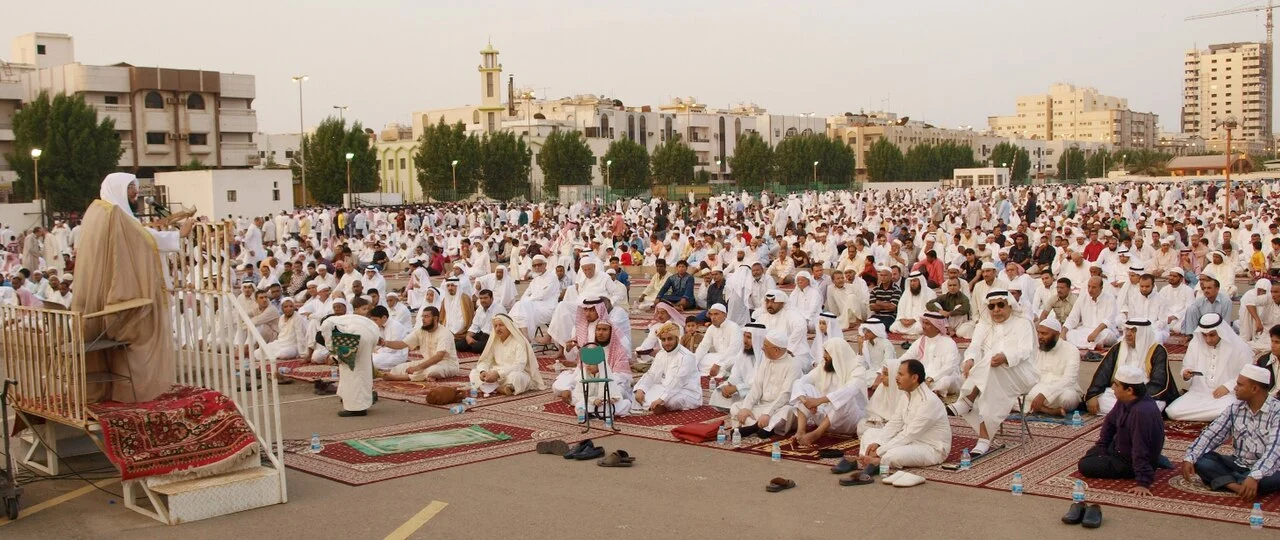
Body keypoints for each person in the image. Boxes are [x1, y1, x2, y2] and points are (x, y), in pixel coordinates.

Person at [72, 173, 194, 402]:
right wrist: (178, 235)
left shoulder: (99, 211)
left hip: (107, 289)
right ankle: (137, 391)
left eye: (135, 187)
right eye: (130, 187)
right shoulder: (114, 215)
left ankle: (124, 390)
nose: (135, 192)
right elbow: (144, 240)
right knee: (138, 338)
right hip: (123, 292)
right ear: (118, 188)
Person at [950, 289, 1038, 456]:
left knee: (990, 365)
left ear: (1010, 305)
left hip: (1021, 373)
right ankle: (984, 438)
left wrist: (1006, 357)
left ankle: (968, 399)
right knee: (989, 373)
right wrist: (969, 359)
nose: (996, 310)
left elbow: (1025, 350)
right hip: (990, 372)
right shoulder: (984, 325)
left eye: (1000, 305)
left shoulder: (1023, 323)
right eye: (991, 306)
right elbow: (974, 347)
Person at [1181, 364, 1280, 501]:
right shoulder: (1235, 408)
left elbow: (1274, 451)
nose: (1235, 388)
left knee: (1269, 479)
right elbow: (1212, 434)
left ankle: (1229, 481)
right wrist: (1190, 457)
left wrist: (1254, 476)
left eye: (1240, 385)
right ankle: (1238, 486)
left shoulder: (1277, 412)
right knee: (1201, 460)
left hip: (1271, 469)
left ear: (1254, 389)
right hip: (1239, 463)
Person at [850, 359, 952, 482]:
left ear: (914, 378)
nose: (896, 378)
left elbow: (909, 434)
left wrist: (879, 451)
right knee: (870, 433)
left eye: (901, 374)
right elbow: (894, 424)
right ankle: (868, 459)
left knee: (892, 454)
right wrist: (878, 443)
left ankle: (876, 461)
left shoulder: (928, 401)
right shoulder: (906, 395)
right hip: (909, 442)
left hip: (930, 448)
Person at [1077, 365, 1167, 496]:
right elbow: (1110, 423)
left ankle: (1147, 467)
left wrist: (1143, 482)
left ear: (1129, 390)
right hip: (1121, 447)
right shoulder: (1126, 400)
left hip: (1129, 459)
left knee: (1085, 465)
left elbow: (1140, 447)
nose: (1113, 387)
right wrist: (1102, 447)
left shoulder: (1141, 412)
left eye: (1116, 385)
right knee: (1092, 454)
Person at [1166, 313, 1254, 422]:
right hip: (1198, 393)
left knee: (1229, 409)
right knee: (1172, 411)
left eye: (1212, 335)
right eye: (1204, 335)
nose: (1208, 340)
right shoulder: (1195, 344)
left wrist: (1227, 387)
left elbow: (1247, 374)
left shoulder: (1239, 346)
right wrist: (1186, 373)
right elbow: (1187, 366)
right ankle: (1219, 417)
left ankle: (1219, 415)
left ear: (1221, 332)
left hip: (1226, 396)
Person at [1086, 318, 1179, 415]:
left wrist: (1134, 395)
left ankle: (1126, 411)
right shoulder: (1118, 348)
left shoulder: (1157, 351)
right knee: (1100, 400)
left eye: (1133, 331)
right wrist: (1093, 394)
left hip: (1146, 395)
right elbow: (1103, 373)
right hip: (1120, 393)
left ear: (1143, 333)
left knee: (1152, 406)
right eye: (1127, 330)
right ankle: (1132, 412)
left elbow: (1158, 383)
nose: (1128, 334)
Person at [790, 339, 869, 447]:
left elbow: (850, 390)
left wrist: (818, 401)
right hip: (825, 416)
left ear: (837, 354)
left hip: (849, 420)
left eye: (827, 352)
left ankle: (815, 435)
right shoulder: (824, 366)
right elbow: (800, 382)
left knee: (845, 399)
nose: (824, 356)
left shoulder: (857, 369)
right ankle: (800, 432)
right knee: (805, 389)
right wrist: (806, 401)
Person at [731, 327, 803, 439]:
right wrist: (746, 407)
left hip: (780, 407)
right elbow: (756, 387)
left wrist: (768, 414)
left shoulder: (793, 365)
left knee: (788, 412)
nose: (762, 348)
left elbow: (785, 395)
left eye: (765, 346)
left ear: (776, 350)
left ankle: (754, 426)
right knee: (736, 407)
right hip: (762, 406)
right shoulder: (766, 360)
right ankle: (761, 427)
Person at [320, 297, 382, 417]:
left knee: (351, 372)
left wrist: (332, 351)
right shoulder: (346, 319)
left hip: (357, 338)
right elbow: (374, 329)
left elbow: (329, 340)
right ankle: (362, 399)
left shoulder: (327, 323)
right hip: (370, 335)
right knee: (363, 370)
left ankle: (356, 408)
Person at [468, 314, 544, 396]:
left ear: (509, 326)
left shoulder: (519, 342)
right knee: (474, 373)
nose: (498, 329)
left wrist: (498, 374)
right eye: (495, 326)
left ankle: (492, 388)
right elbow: (486, 360)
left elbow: (519, 366)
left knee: (516, 377)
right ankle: (500, 389)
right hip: (494, 375)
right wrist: (483, 371)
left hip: (512, 373)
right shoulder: (494, 341)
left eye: (501, 325)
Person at [379, 307, 463, 382]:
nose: (423, 319)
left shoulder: (445, 333)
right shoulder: (420, 331)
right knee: (397, 368)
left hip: (447, 364)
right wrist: (385, 343)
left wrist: (417, 368)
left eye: (426, 316)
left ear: (435, 318)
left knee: (432, 371)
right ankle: (426, 377)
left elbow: (439, 357)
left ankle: (401, 378)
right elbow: (402, 344)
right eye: (422, 316)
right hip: (427, 361)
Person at [632, 322, 701, 413]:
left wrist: (662, 399)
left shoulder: (686, 356)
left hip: (685, 391)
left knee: (673, 401)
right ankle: (654, 406)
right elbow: (651, 374)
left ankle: (656, 405)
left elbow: (678, 382)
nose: (666, 343)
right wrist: (641, 389)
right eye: (663, 340)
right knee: (637, 394)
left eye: (670, 339)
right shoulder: (661, 354)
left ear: (677, 338)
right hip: (664, 388)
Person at [1024, 318, 1082, 416]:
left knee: (1067, 398)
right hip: (1038, 387)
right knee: (1014, 395)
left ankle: (1033, 407)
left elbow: (1069, 380)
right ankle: (1048, 410)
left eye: (1044, 334)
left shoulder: (1072, 350)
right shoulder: (1036, 348)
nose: (1039, 337)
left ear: (1057, 335)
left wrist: (1044, 395)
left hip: (1063, 390)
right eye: (1038, 333)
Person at [899, 312, 962, 398]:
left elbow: (949, 367)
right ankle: (929, 392)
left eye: (927, 324)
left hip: (942, 378)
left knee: (945, 381)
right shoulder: (921, 341)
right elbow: (907, 357)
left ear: (937, 327)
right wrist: (892, 366)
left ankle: (929, 393)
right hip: (924, 379)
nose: (923, 326)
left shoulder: (949, 343)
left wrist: (931, 379)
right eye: (923, 323)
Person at [710, 322, 764, 410]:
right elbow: (735, 374)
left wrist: (737, 388)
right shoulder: (743, 354)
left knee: (748, 399)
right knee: (719, 391)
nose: (745, 341)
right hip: (743, 388)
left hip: (758, 392)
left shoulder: (766, 358)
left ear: (758, 340)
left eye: (749, 337)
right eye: (744, 336)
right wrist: (730, 385)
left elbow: (759, 385)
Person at [1062, 276, 1119, 353]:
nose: (1090, 290)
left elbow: (1108, 320)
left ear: (1101, 288)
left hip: (1102, 331)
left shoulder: (1110, 298)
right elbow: (1073, 317)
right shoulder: (1082, 298)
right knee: (1070, 333)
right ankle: (1094, 345)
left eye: (1094, 287)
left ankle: (1088, 345)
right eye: (1089, 286)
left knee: (1106, 334)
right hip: (1086, 331)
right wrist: (1063, 332)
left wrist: (1095, 333)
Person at [693, 304, 743, 376]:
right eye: (711, 314)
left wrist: (718, 364)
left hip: (733, 357)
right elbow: (703, 346)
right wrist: (694, 362)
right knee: (702, 359)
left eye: (716, 314)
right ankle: (721, 371)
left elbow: (733, 349)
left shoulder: (734, 327)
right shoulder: (711, 328)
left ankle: (722, 371)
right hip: (718, 356)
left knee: (733, 363)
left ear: (725, 315)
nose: (713, 317)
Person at [256, 297, 308, 362]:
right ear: (282, 308)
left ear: (294, 307)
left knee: (283, 354)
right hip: (281, 343)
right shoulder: (281, 318)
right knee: (258, 352)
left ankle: (272, 356)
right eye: (286, 307)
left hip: (294, 345)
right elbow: (281, 334)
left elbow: (300, 336)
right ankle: (271, 355)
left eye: (291, 306)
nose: (289, 308)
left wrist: (302, 353)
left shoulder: (297, 317)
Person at [890, 271, 936, 336]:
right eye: (911, 281)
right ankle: (909, 331)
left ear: (920, 281)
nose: (912, 283)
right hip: (905, 320)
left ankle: (908, 331)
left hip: (919, 321)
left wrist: (914, 319)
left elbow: (928, 311)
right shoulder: (906, 292)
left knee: (919, 328)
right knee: (893, 327)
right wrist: (902, 319)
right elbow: (901, 308)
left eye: (915, 281)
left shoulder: (930, 293)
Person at [457, 289, 502, 354]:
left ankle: (476, 346)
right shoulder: (480, 309)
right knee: (459, 345)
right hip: (481, 334)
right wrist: (468, 337)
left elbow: (501, 329)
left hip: (492, 336)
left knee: (477, 347)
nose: (483, 300)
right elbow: (474, 326)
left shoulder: (499, 309)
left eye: (485, 298)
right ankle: (476, 346)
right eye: (481, 298)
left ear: (492, 299)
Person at [370, 305, 410, 371]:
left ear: (384, 317)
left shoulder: (395, 326)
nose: (373, 322)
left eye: (375, 320)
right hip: (383, 352)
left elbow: (392, 349)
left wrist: (377, 351)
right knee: (365, 358)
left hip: (397, 354)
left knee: (373, 361)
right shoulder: (379, 326)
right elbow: (378, 344)